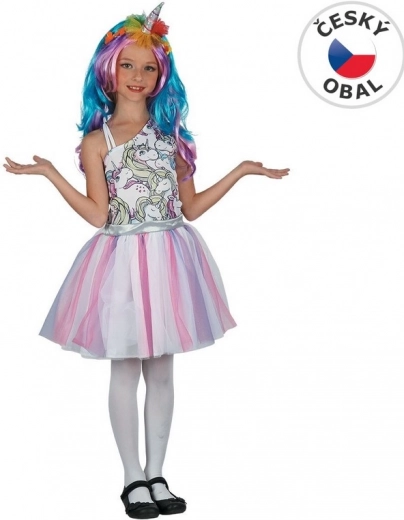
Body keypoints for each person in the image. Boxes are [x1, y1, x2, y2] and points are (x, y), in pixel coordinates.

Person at [4, 3, 289, 518]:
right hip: (121, 261)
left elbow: (191, 208)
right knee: (125, 366)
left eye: (149, 67)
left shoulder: (171, 138)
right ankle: (132, 478)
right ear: (108, 71)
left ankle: (157, 473)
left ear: (162, 77)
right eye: (128, 65)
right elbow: (98, 215)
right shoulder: (98, 141)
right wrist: (50, 174)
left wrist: (241, 171)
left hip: (170, 258)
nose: (138, 76)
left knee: (161, 370)